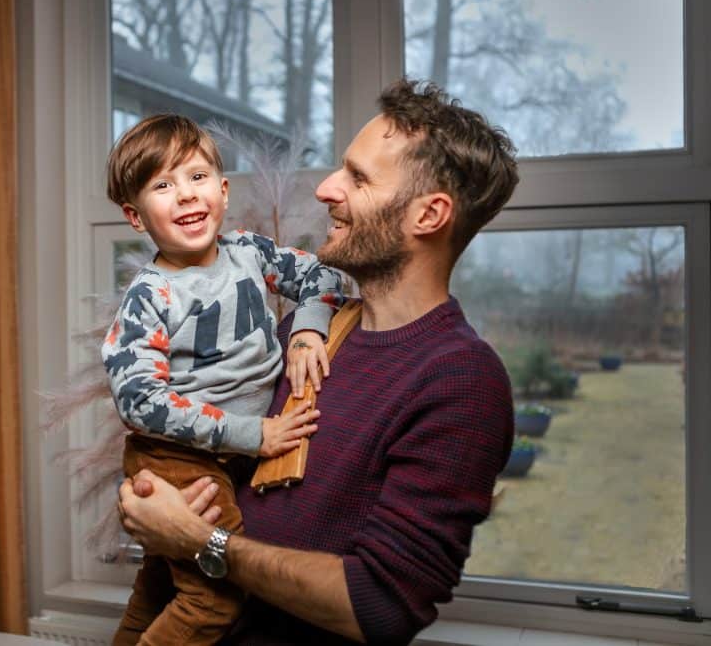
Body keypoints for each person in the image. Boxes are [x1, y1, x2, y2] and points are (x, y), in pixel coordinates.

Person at [117, 79, 520, 645]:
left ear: (429, 215)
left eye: (357, 177)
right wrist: (155, 502)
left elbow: (377, 606)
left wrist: (199, 543)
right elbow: (211, 457)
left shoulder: (461, 381)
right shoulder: (307, 331)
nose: (328, 189)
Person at [101, 114, 346, 645]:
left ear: (223, 189)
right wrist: (253, 435)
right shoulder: (151, 295)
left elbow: (326, 275)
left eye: (196, 176)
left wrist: (307, 329)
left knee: (156, 591)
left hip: (222, 459)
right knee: (215, 598)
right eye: (162, 185)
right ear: (136, 216)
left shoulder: (250, 254)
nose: (186, 195)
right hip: (176, 458)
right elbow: (141, 401)